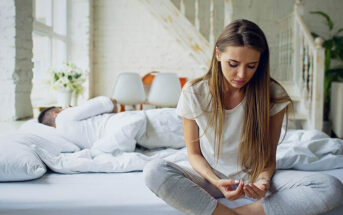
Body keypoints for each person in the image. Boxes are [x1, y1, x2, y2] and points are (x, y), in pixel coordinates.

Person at [143, 19, 343, 215]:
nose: (241, 74)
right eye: (233, 64)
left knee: (330, 188)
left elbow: (268, 155)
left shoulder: (273, 94)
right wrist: (216, 181)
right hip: (210, 179)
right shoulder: (195, 92)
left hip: (254, 179)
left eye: (251, 66)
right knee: (154, 170)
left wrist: (263, 182)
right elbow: (194, 154)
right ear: (218, 54)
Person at [38, 96, 146, 152]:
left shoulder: (61, 136)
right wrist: (72, 109)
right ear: (55, 113)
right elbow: (110, 102)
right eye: (60, 108)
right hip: (122, 124)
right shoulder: (63, 117)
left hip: (118, 141)